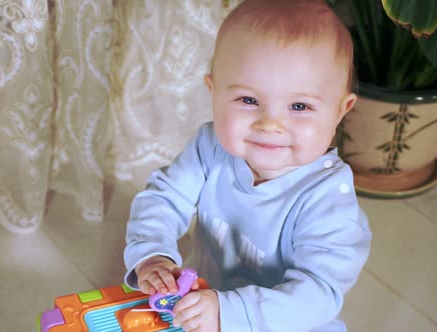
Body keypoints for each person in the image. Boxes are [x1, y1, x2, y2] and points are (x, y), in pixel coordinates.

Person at [123, 0, 371, 331]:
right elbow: (164, 198)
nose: (270, 124)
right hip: (202, 306)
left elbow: (318, 295)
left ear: (341, 110)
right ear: (213, 92)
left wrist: (229, 313)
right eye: (248, 100)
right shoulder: (210, 146)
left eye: (299, 106)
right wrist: (152, 254)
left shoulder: (329, 200)